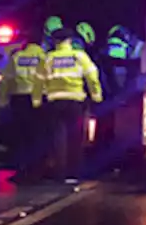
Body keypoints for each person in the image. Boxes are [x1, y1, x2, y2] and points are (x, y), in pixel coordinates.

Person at [36, 27, 103, 180]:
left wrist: (37, 101)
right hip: (75, 102)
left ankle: (59, 173)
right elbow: (92, 76)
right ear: (70, 41)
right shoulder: (79, 56)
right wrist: (96, 96)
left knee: (57, 139)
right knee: (75, 138)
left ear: (54, 41)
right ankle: (73, 174)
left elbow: (38, 81)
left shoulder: (48, 58)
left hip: (54, 103)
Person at [0, 32, 47, 181]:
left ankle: (21, 169)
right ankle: (37, 171)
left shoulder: (17, 57)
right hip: (39, 99)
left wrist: (2, 101)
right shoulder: (44, 57)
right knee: (38, 136)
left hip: (19, 99)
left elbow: (6, 80)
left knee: (21, 136)